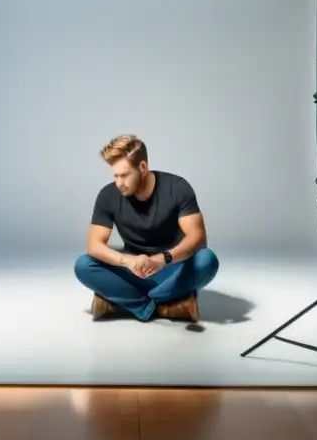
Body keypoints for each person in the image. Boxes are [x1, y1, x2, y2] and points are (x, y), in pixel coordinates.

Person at [74, 134, 219, 323]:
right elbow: (94, 245)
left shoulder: (177, 187)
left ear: (142, 167)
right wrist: (128, 261)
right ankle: (163, 306)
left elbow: (198, 238)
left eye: (125, 175)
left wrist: (162, 259)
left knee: (207, 260)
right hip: (132, 270)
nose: (119, 183)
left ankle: (123, 302)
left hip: (171, 268)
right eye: (115, 175)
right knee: (84, 264)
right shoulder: (108, 195)